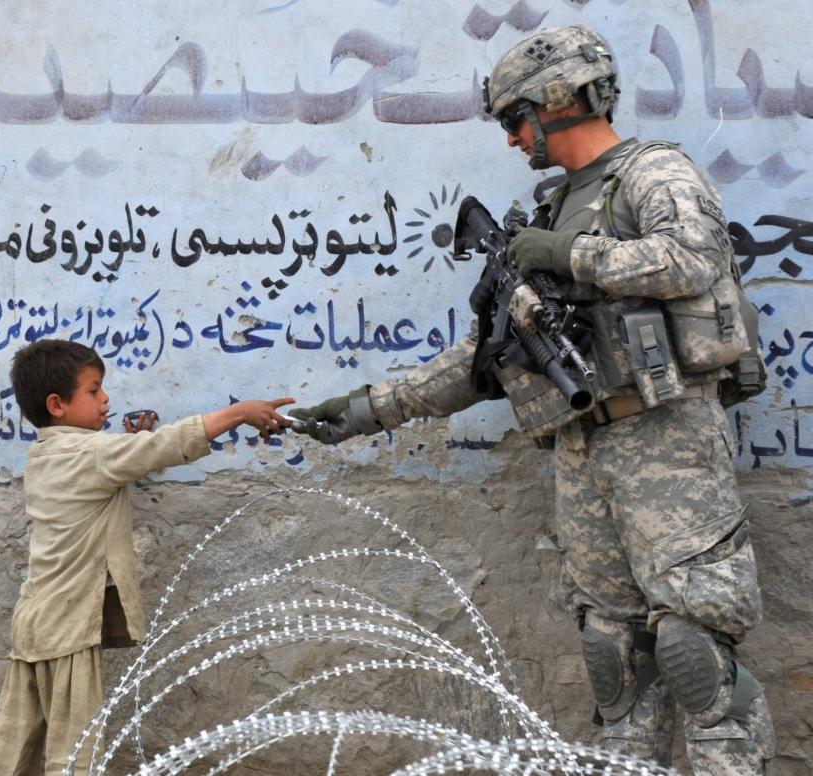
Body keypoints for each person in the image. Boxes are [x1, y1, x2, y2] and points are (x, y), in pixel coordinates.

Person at [290, 24, 774, 775]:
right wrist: (366, 408)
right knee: (615, 659)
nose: (512, 138)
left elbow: (696, 259)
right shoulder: (549, 209)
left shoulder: (652, 174)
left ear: (561, 98)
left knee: (695, 650)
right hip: (584, 453)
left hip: (667, 439)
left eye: (516, 118)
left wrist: (570, 256)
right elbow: (485, 360)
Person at [0, 339, 292, 775]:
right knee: (74, 755)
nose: (105, 398)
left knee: (13, 747)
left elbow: (113, 463)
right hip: (68, 631)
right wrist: (240, 412)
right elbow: (164, 446)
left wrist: (130, 444)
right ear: (57, 404)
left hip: (35, 621)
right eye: (92, 391)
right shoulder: (92, 454)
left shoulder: (47, 454)